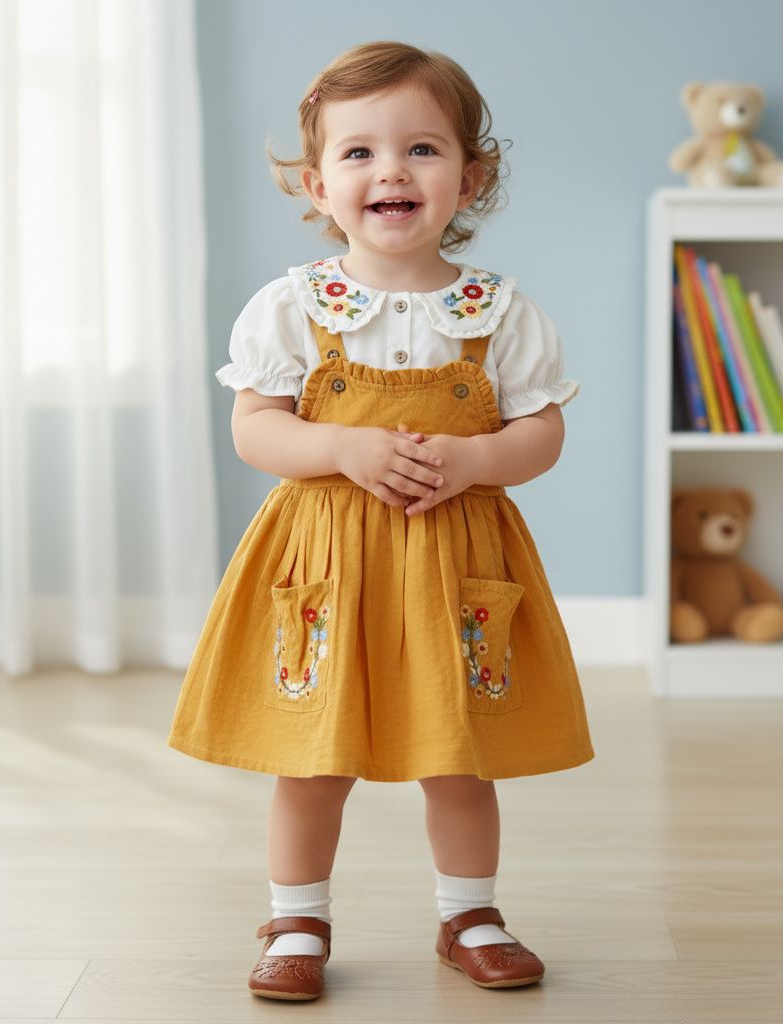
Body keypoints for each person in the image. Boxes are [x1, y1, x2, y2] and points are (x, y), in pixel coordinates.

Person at [167, 39, 595, 1002]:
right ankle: (297, 916)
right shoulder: (291, 307)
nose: (390, 171)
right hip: (327, 560)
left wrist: (480, 459)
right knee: (313, 760)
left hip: (452, 561)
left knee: (460, 753)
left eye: (422, 150)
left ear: (469, 178)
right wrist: (343, 449)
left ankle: (468, 911)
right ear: (317, 185)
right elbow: (254, 429)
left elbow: (543, 430)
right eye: (358, 154)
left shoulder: (498, 313)